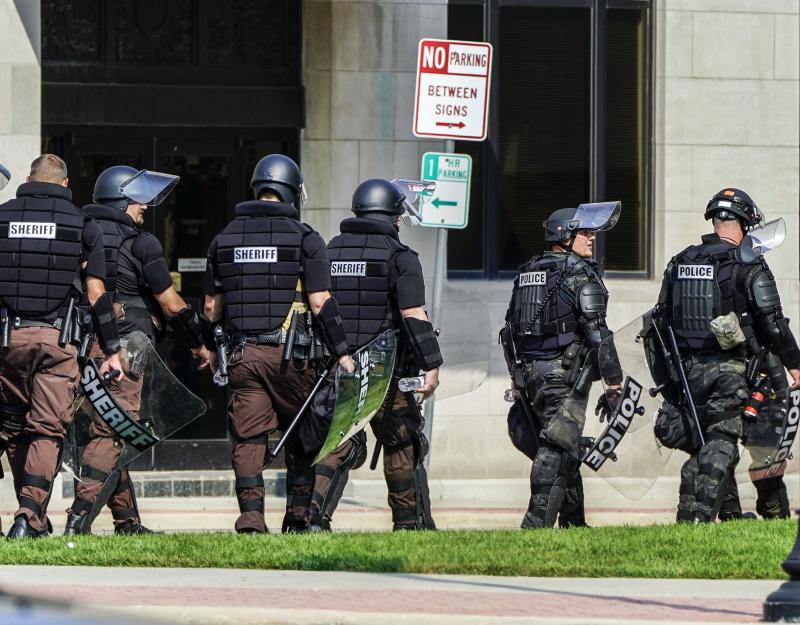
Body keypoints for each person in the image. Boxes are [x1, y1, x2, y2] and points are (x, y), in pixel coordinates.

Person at [202, 154, 355, 533]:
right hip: (295, 358)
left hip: (244, 356)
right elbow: (320, 302)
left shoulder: (224, 239)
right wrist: (342, 352)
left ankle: (251, 517)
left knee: (249, 436)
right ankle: (298, 517)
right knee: (304, 434)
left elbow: (209, 308)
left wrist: (209, 348)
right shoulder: (306, 238)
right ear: (292, 192)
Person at [63, 165, 209, 536]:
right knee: (114, 430)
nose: (143, 208)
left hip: (77, 346)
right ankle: (78, 519)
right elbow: (172, 304)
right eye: (138, 201)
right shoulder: (141, 242)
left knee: (108, 425)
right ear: (121, 200)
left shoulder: (76, 233)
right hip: (126, 348)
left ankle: (127, 521)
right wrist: (198, 343)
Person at [654, 188, 800, 523]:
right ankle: (767, 516)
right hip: (738, 373)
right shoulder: (748, 264)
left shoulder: (680, 261)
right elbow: (773, 323)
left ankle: (731, 519)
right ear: (746, 223)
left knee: (710, 441)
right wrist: (795, 363)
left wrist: (672, 377)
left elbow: (660, 320)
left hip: (688, 375)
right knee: (749, 444)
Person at [305, 178, 442, 532]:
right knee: (401, 442)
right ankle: (408, 524)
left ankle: (312, 518)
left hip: (338, 366)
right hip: (387, 371)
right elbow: (413, 315)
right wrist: (432, 364)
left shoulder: (328, 252)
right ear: (394, 217)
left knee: (338, 441)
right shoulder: (400, 257)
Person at [0, 154, 123, 539]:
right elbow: (97, 292)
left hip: (7, 341)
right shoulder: (83, 224)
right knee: (46, 431)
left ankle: (29, 515)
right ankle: (29, 514)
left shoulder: (2, 216)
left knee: (11, 429)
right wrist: (112, 348)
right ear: (66, 185)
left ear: (27, 178)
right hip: (58, 341)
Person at [503, 202, 622, 529]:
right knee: (555, 448)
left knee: (566, 446)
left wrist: (517, 378)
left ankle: (574, 525)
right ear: (564, 235)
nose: (591, 238)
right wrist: (614, 383)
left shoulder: (528, 272)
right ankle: (534, 526)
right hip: (563, 376)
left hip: (530, 374)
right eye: (584, 231)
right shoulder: (579, 273)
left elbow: (508, 331)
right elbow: (599, 333)